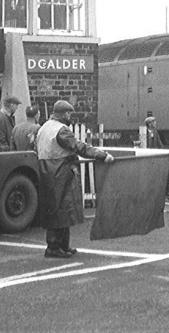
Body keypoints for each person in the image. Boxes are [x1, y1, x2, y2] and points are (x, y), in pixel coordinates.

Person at [36, 100, 114, 258]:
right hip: (60, 170)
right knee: (63, 209)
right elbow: (79, 147)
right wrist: (102, 155)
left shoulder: (44, 127)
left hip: (46, 170)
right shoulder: (61, 130)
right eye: (69, 114)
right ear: (64, 114)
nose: (70, 117)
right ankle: (54, 247)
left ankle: (61, 246)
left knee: (57, 208)